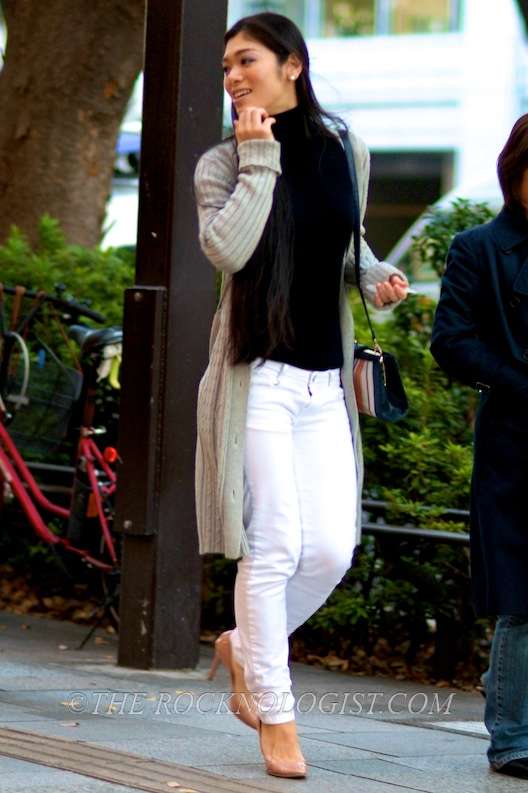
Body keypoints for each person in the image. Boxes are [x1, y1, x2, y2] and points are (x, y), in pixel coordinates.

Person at [194, 12, 409, 779]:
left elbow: (344, 239)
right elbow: (229, 248)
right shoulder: (222, 163)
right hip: (258, 379)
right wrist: (259, 158)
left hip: (325, 385)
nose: (232, 76)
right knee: (277, 542)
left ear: (292, 64)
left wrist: (374, 274)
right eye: (225, 65)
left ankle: (244, 646)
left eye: (245, 60)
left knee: (330, 549)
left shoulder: (345, 146)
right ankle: (276, 714)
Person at [431, 115, 528, 780]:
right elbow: (452, 340)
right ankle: (513, 736)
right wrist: (520, 382)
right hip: (516, 441)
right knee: (523, 595)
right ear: (515, 174)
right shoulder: (479, 248)